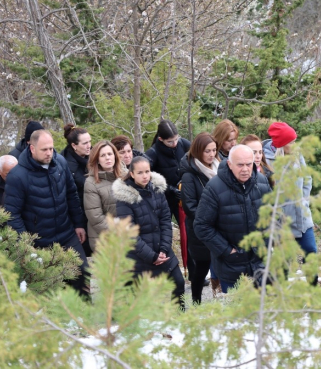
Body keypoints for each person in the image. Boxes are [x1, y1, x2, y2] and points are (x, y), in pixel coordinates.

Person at [4, 130, 89, 298]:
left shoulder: (61, 163)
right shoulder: (18, 176)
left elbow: (71, 195)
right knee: (50, 286)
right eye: (44, 149)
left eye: (51, 148)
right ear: (32, 148)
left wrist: (79, 224)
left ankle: (86, 317)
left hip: (66, 233)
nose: (49, 153)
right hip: (39, 241)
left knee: (83, 272)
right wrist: (26, 245)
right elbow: (12, 215)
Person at [194, 145, 272, 293]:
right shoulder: (214, 187)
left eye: (248, 164)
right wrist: (227, 250)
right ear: (230, 164)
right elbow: (201, 226)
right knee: (237, 314)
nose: (245, 169)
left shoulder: (261, 182)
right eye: (240, 165)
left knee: (263, 312)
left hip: (260, 262)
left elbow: (274, 214)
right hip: (231, 265)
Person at [113, 156, 185, 309]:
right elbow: (129, 233)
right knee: (141, 299)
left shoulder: (157, 190)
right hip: (140, 255)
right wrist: (152, 256)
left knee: (179, 282)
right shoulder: (124, 198)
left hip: (161, 248)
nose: (145, 176)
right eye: (140, 173)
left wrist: (164, 249)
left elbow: (166, 219)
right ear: (132, 174)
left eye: (147, 171)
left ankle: (181, 317)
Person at [264, 122, 317, 278]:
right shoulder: (267, 160)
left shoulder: (297, 154)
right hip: (282, 221)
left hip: (302, 217)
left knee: (311, 252)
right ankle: (284, 296)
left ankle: (313, 291)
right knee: (284, 261)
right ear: (281, 145)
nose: (295, 145)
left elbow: (307, 178)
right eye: (291, 142)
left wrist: (304, 200)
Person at [180, 132, 220, 303]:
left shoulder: (220, 168)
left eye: (214, 150)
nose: (211, 155)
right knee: (201, 268)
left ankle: (221, 296)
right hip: (200, 230)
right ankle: (196, 301)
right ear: (198, 151)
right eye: (207, 151)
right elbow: (190, 206)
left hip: (220, 227)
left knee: (221, 264)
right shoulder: (189, 175)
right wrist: (209, 219)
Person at [146, 120, 190, 225]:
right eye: (170, 142)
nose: (174, 143)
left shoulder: (183, 143)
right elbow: (147, 177)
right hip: (163, 198)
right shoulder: (153, 152)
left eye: (176, 139)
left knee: (188, 229)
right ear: (161, 139)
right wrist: (170, 189)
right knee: (164, 229)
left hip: (184, 195)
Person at [83, 140, 125, 252]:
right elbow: (96, 218)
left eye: (110, 154)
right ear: (97, 160)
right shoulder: (91, 182)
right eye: (103, 155)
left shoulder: (125, 176)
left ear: (115, 156)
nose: (107, 158)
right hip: (103, 238)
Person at [61, 124, 92, 256]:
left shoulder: (92, 157)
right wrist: (78, 224)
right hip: (79, 220)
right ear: (74, 146)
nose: (89, 145)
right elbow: (70, 199)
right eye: (85, 143)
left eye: (90, 141)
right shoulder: (66, 165)